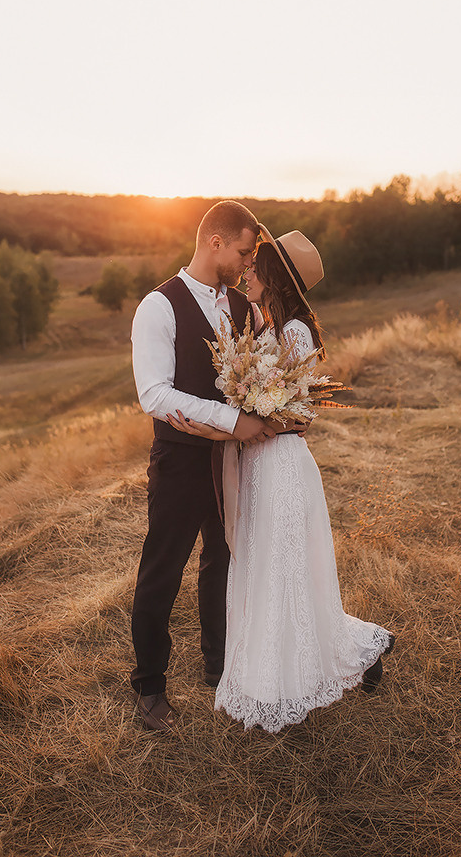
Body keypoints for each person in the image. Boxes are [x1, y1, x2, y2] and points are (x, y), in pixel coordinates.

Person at [167, 226, 395, 733]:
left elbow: (301, 412)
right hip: (259, 463)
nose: (245, 271)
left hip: (283, 466)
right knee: (265, 567)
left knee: (282, 572)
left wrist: (252, 412)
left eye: (254, 265)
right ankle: (281, 671)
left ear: (273, 277)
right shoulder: (268, 325)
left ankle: (292, 679)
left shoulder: (293, 332)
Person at [130, 201, 276, 732]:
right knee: (163, 570)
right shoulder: (158, 307)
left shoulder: (243, 308)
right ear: (214, 242)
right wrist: (231, 419)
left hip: (235, 462)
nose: (245, 262)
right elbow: (154, 394)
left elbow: (261, 369)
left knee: (224, 562)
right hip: (180, 461)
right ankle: (149, 687)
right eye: (242, 251)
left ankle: (220, 670)